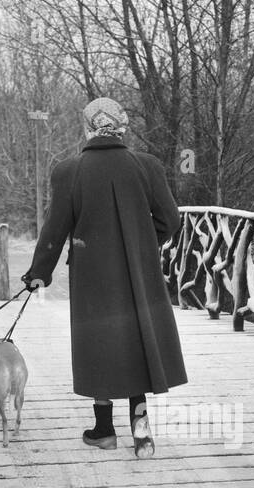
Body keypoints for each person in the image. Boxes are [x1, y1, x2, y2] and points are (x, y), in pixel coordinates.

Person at [23, 97, 187, 458]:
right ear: (122, 124)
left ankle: (103, 430)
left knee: (99, 344)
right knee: (137, 340)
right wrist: (144, 243)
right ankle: (141, 431)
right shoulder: (147, 166)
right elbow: (171, 221)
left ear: (87, 127)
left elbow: (56, 228)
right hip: (137, 272)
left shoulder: (69, 171)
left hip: (92, 275)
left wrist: (39, 273)